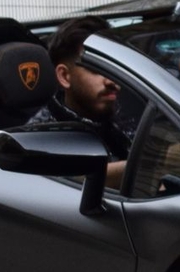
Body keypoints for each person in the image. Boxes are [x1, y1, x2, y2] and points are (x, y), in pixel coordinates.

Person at [23, 15, 130, 188]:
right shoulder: (40, 137)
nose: (112, 81)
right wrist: (150, 166)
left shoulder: (124, 113)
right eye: (96, 69)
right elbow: (60, 186)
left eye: (113, 68)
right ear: (65, 76)